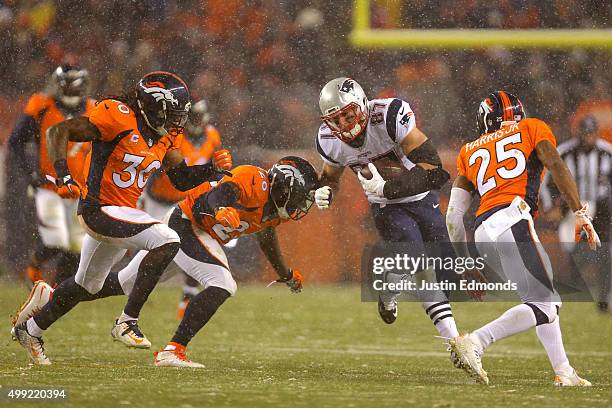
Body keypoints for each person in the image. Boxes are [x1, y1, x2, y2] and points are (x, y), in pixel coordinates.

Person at [11, 71, 232, 365]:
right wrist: (64, 174)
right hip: (98, 209)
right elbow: (58, 132)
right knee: (168, 239)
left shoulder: (164, 136)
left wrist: (211, 170)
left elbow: (179, 178)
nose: (178, 121)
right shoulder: (118, 117)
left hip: (122, 212)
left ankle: (31, 328)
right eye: (174, 113)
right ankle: (127, 321)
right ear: (154, 106)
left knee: (85, 285)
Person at [14, 157, 317, 368]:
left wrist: (285, 273)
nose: (301, 206)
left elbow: (266, 237)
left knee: (118, 283)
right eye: (300, 197)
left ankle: (44, 308)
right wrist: (221, 207)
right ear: (285, 186)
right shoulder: (255, 179)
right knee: (222, 283)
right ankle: (174, 350)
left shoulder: (274, 211)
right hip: (186, 225)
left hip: (193, 233)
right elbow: (217, 196)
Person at [446, 90, 597, 386]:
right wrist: (579, 211)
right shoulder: (531, 127)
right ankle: (476, 341)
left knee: (538, 300)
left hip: (483, 232)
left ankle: (564, 372)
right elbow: (555, 164)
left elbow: (453, 216)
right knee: (547, 304)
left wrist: (466, 263)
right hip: (512, 220)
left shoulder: (468, 151)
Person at [313, 78, 460, 343]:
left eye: (348, 115)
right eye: (337, 120)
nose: (345, 125)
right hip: (385, 207)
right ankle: (455, 341)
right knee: (416, 261)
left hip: (420, 196)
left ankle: (389, 285)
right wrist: (324, 192)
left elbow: (434, 169)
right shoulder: (328, 141)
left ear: (362, 106)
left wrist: (389, 188)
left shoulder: (389, 116)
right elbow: (330, 178)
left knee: (445, 271)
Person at [8, 64, 95, 285]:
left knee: (76, 246)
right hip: (50, 184)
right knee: (55, 240)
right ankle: (35, 267)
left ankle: (57, 289)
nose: (71, 91)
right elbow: (16, 141)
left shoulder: (94, 110)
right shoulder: (42, 105)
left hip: (79, 188)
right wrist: (31, 174)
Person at [140, 98, 223, 317]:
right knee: (149, 248)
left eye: (197, 116)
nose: (195, 121)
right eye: (192, 117)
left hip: (187, 201)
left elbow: (215, 166)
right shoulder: (173, 136)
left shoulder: (212, 136)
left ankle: (188, 295)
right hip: (159, 199)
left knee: (194, 243)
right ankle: (138, 288)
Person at [540, 116, 611, 312]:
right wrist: (550, 206)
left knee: (605, 252)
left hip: (602, 208)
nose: (587, 137)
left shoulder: (607, 153)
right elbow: (547, 180)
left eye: (590, 133)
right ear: (578, 133)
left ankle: (604, 297)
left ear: (596, 133)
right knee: (575, 250)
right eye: (584, 133)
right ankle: (577, 290)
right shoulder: (565, 152)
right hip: (574, 210)